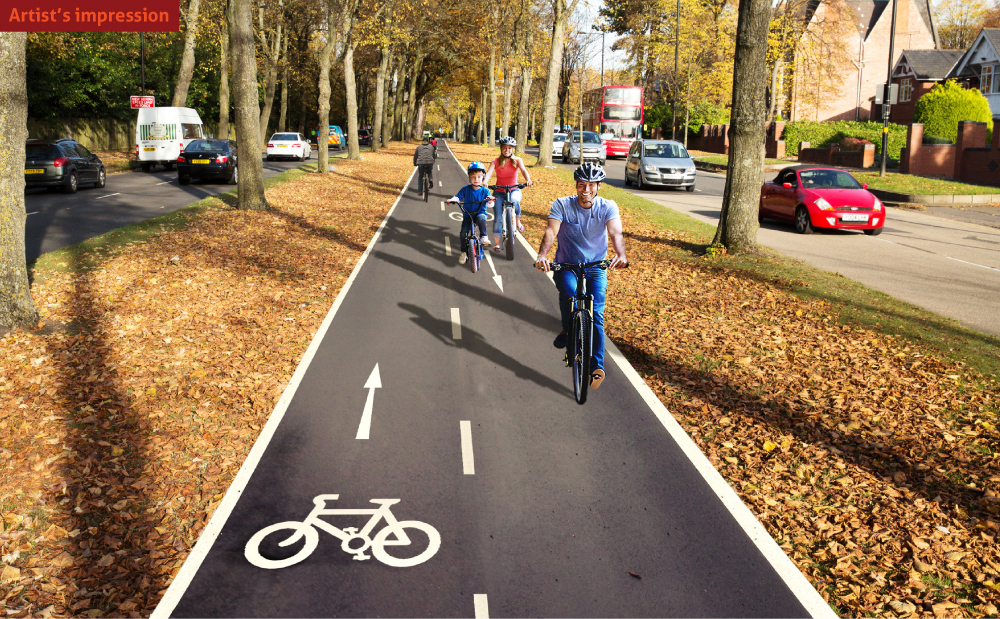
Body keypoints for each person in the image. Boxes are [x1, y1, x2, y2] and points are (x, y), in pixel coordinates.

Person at [534, 162, 627, 390]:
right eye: (582, 185)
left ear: (599, 186)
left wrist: (621, 254)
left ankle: (597, 367)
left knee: (597, 314)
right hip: (566, 265)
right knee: (568, 292)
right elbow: (551, 230)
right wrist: (542, 255)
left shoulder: (608, 206)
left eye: (591, 185)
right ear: (576, 185)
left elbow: (615, 232)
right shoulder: (562, 204)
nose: (586, 189)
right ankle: (568, 329)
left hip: (596, 267)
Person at [484, 137, 532, 252]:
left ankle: (517, 221)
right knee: (498, 218)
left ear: (513, 149)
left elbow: (524, 171)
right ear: (501, 149)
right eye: (505, 148)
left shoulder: (517, 160)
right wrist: (485, 182)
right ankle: (497, 244)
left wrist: (528, 180)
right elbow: (489, 173)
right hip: (499, 192)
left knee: (514, 200)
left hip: (514, 190)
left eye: (510, 148)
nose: (507, 150)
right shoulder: (495, 161)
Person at [446, 162, 494, 265]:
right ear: (469, 178)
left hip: (480, 213)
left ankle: (484, 236)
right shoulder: (465, 189)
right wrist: (452, 200)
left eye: (479, 177)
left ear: (483, 177)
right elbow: (457, 197)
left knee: (481, 218)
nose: (476, 179)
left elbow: (490, 205)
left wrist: (490, 200)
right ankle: (464, 252)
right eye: (473, 177)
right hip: (468, 214)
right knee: (463, 232)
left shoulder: (485, 191)